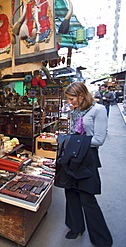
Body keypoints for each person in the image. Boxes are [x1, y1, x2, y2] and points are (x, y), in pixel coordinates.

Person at [55, 82, 113, 247]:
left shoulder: (98, 110)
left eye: (72, 98)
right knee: (71, 192)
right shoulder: (76, 111)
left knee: (87, 197)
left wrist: (71, 140)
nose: (70, 102)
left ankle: (101, 239)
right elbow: (74, 131)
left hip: (87, 156)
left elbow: (99, 140)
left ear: (82, 96)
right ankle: (75, 226)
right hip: (72, 155)